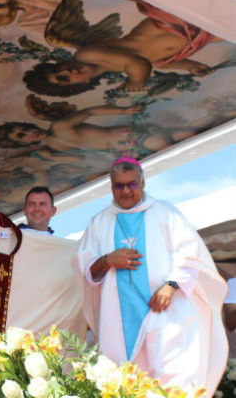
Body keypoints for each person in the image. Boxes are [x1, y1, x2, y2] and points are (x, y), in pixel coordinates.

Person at [73, 157, 227, 394]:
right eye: (118, 186)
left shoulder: (164, 212)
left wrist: (170, 285)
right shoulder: (99, 222)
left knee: (173, 383)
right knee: (125, 384)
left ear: (142, 183)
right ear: (111, 187)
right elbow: (85, 268)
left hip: (166, 317)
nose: (125, 191)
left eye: (131, 184)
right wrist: (106, 260)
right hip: (119, 322)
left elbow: (190, 252)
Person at [23, 0, 222, 97]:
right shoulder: (111, 68)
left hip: (173, 24)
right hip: (195, 38)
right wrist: (189, 66)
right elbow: (158, 63)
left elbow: (138, 62)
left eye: (57, 68)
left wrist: (136, 80)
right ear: (79, 85)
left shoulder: (87, 54)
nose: (66, 70)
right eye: (64, 78)